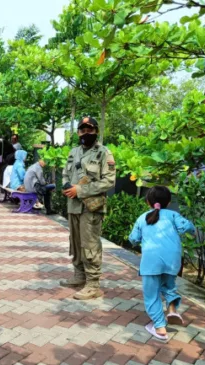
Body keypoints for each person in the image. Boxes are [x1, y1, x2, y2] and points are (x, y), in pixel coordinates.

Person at [128, 186, 196, 341]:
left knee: (151, 295)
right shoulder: (173, 215)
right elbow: (187, 227)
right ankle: (172, 309)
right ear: (169, 202)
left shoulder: (143, 218)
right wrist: (192, 231)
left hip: (151, 262)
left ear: (147, 202)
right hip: (172, 260)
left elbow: (133, 238)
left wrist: (137, 241)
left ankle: (159, 327)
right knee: (169, 286)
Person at [60, 117, 116, 300]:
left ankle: (93, 284)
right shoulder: (73, 152)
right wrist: (67, 186)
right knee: (75, 243)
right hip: (73, 205)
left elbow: (109, 181)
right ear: (78, 132)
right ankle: (79, 276)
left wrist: (80, 190)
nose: (86, 133)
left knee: (90, 244)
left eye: (89, 129)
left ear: (96, 131)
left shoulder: (103, 153)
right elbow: (65, 173)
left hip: (91, 208)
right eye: (82, 130)